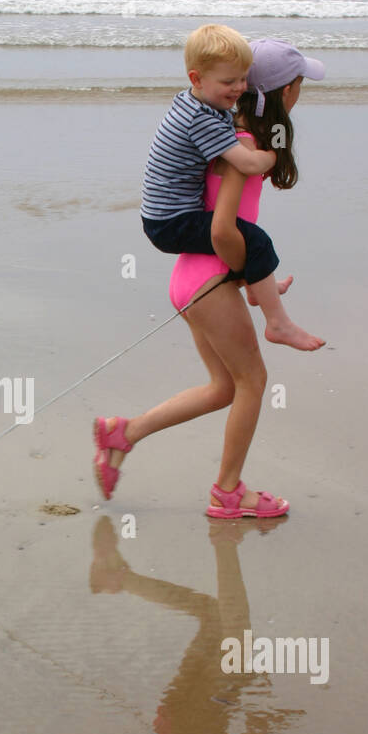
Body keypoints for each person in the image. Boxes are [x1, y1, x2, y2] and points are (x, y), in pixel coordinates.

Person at [94, 36, 327, 518]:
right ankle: (227, 493)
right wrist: (242, 278)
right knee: (253, 382)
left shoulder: (225, 127)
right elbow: (222, 229)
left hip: (194, 280)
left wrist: (250, 280)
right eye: (300, 84)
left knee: (224, 387)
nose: (302, 92)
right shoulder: (239, 142)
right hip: (209, 283)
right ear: (285, 92)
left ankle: (124, 433)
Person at [140, 25, 324, 352]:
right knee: (256, 240)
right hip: (171, 223)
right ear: (286, 92)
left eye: (242, 80)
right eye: (230, 82)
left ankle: (258, 283)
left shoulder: (205, 107)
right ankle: (277, 322)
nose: (238, 87)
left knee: (226, 387)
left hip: (169, 223)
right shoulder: (220, 127)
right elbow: (246, 170)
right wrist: (269, 156)